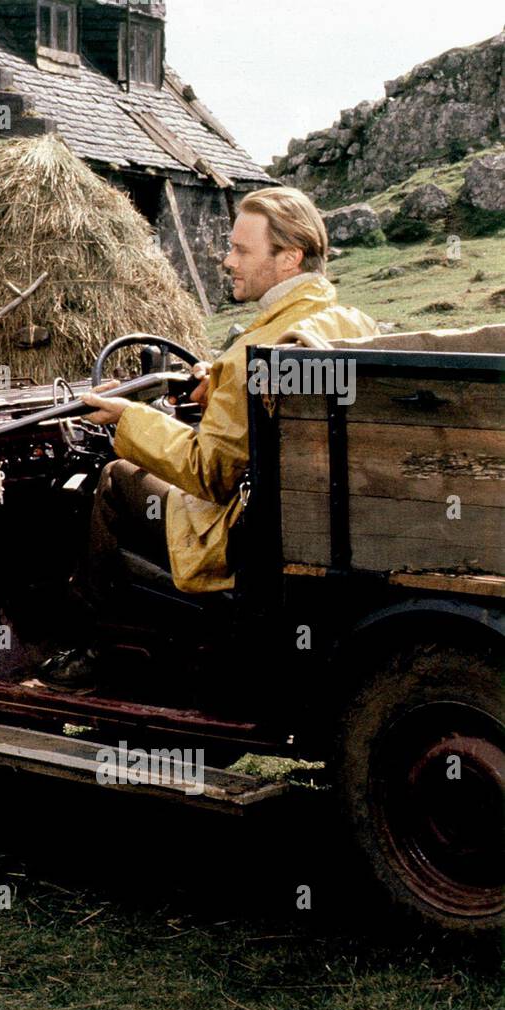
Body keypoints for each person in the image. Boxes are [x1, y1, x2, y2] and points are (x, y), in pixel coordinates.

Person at [47, 187, 379, 685]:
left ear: (289, 258)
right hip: (315, 517)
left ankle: (89, 640)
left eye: (242, 250)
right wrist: (217, 379)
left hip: (248, 528)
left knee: (115, 477)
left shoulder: (255, 351)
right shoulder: (345, 320)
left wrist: (125, 418)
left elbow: (210, 472)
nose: (227, 261)